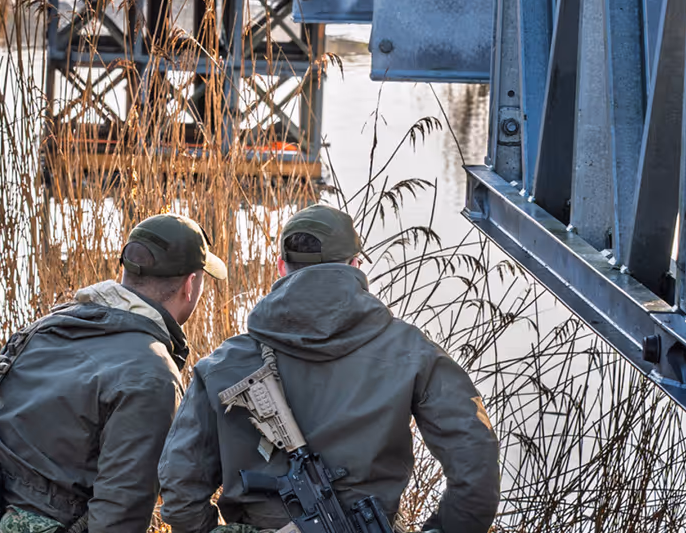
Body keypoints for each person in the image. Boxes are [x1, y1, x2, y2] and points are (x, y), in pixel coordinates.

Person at [158, 204, 501, 533]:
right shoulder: (412, 351)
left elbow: (180, 481)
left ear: (281, 267)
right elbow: (476, 460)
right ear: (356, 266)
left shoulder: (224, 362)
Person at [0, 213, 227, 533]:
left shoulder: (43, 330)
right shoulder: (152, 375)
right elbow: (118, 521)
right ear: (190, 285)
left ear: (127, 271)